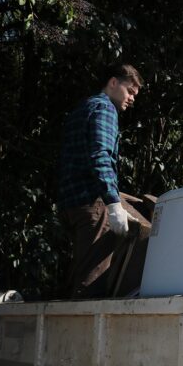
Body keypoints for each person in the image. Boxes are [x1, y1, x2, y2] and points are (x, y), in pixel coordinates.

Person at [57, 63, 144, 298]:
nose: (132, 99)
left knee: (77, 273)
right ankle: (82, 333)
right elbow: (100, 156)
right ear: (113, 83)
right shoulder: (105, 109)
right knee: (91, 284)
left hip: (70, 203)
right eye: (130, 91)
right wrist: (113, 202)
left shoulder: (83, 108)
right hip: (91, 202)